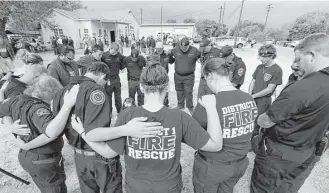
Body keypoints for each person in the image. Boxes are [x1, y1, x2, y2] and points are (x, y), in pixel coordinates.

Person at [74, 62, 223, 193]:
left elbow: (107, 153)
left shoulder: (127, 116)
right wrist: (211, 108)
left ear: (141, 87)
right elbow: (215, 145)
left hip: (136, 186)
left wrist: (82, 132)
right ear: (168, 86)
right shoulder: (180, 117)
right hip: (168, 186)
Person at [52, 61, 163, 193]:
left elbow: (57, 123)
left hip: (79, 156)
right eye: (105, 81)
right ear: (102, 75)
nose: (105, 84)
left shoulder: (63, 92)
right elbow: (95, 132)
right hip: (100, 155)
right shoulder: (96, 91)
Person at [250, 33, 329, 193]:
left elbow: (266, 121)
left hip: (281, 152)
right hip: (309, 149)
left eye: (299, 59)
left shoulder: (303, 87)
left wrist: (258, 119)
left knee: (262, 188)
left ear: (312, 55)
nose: (296, 65)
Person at [0, 75, 79, 193]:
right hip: (44, 159)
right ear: (44, 91)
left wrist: (10, 125)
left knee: (44, 187)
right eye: (54, 92)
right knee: (56, 189)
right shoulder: (38, 109)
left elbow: (2, 109)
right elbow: (51, 132)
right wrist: (66, 107)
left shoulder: (16, 99)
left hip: (27, 157)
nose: (55, 96)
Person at [192, 58, 257, 193]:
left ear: (209, 76)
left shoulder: (208, 103)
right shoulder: (249, 99)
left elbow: (194, 136)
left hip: (213, 167)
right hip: (239, 164)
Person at [248, 44, 282, 138]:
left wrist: (254, 96)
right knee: (248, 119)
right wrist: (249, 93)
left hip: (263, 100)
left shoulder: (277, 70)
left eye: (263, 57)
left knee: (256, 122)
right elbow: (253, 81)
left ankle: (253, 141)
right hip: (253, 97)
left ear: (271, 56)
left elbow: (269, 89)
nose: (260, 59)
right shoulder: (260, 67)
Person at [170, 37, 200, 114]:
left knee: (188, 92)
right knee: (179, 91)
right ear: (179, 45)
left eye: (185, 47)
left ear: (188, 45)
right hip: (178, 75)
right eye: (182, 47)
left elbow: (201, 57)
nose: (183, 49)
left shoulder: (194, 50)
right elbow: (170, 58)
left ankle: (190, 107)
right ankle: (180, 105)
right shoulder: (175, 50)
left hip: (189, 76)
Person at [101, 42, 126, 115]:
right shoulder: (104, 56)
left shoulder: (119, 55)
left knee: (118, 96)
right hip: (108, 79)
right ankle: (109, 112)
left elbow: (124, 60)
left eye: (116, 51)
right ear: (110, 48)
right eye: (114, 51)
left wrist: (122, 67)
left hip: (117, 79)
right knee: (108, 97)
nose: (115, 53)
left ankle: (119, 111)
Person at [154, 42, 175, 107]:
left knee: (165, 92)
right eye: (157, 49)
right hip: (155, 77)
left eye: (160, 49)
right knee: (156, 92)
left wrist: (170, 54)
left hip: (164, 77)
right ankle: (156, 105)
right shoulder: (153, 55)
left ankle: (165, 105)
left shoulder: (167, 55)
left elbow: (172, 61)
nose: (158, 51)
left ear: (162, 48)